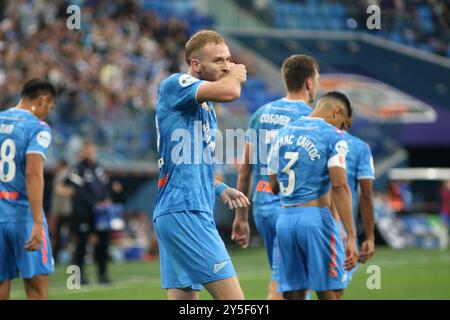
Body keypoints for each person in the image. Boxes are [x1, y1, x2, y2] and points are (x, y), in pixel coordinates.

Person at [154, 29, 251, 300]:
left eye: (229, 59)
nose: (227, 65)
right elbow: (232, 90)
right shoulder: (175, 83)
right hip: (185, 211)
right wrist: (235, 74)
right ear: (196, 65)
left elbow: (190, 163)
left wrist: (219, 188)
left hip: (182, 211)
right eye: (219, 60)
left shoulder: (204, 108)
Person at [231, 54, 319, 300]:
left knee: (292, 284)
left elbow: (245, 168)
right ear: (310, 82)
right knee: (283, 284)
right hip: (290, 211)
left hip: (262, 209)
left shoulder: (261, 113)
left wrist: (241, 217)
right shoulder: (311, 119)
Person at [267, 91, 358, 300]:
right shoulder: (333, 136)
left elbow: (273, 186)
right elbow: (340, 187)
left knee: (294, 295)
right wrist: (351, 236)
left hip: (285, 220)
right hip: (316, 220)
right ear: (336, 112)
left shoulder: (282, 133)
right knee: (330, 293)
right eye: (343, 123)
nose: (342, 128)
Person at [0, 78, 56, 300]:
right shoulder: (37, 127)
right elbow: (33, 173)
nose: (46, 114)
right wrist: (37, 222)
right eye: (49, 108)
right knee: (36, 290)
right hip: (22, 214)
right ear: (43, 100)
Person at [329, 98, 376, 298]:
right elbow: (366, 194)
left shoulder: (298, 136)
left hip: (294, 220)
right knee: (334, 292)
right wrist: (369, 237)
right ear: (346, 118)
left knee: (293, 290)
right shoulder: (359, 147)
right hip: (336, 230)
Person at [65, 141, 113, 285]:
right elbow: (79, 192)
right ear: (83, 151)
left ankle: (102, 275)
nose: (92, 153)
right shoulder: (77, 169)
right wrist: (95, 203)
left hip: (100, 214)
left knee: (103, 244)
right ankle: (77, 278)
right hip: (83, 213)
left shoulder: (98, 168)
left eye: (93, 150)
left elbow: (106, 186)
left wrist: (107, 200)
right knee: (81, 246)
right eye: (89, 150)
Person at [49, 159, 74, 264]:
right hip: (64, 209)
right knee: (65, 234)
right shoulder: (64, 174)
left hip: (63, 209)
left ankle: (56, 257)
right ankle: (60, 256)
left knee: (58, 234)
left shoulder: (65, 174)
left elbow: (66, 190)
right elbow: (60, 190)